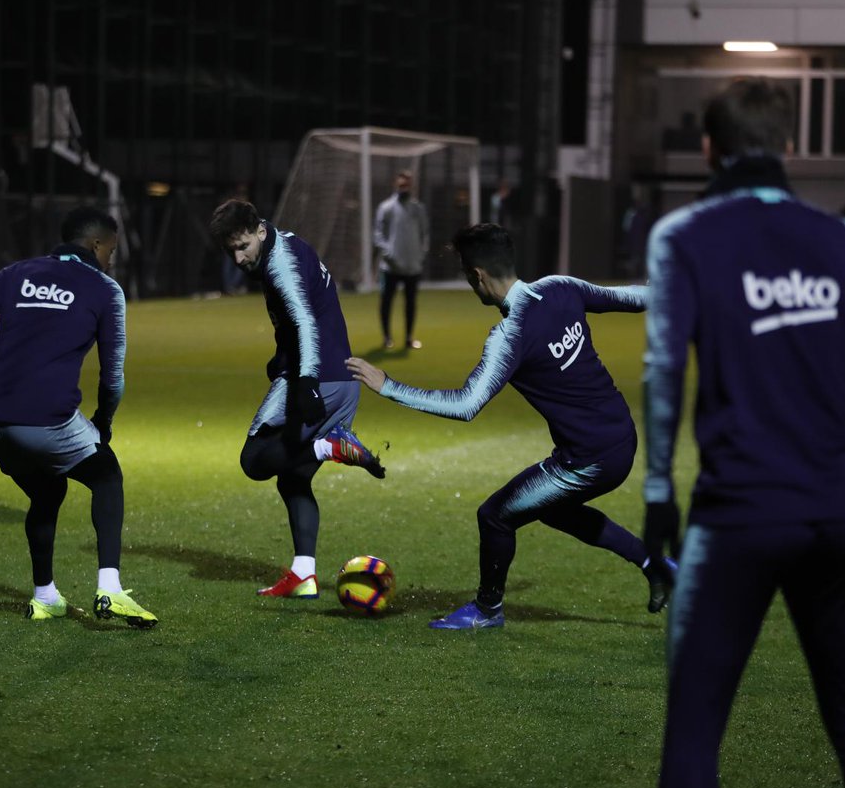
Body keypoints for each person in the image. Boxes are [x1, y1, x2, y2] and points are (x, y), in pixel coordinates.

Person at [643, 77, 845, 788]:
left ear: (708, 150)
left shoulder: (685, 235)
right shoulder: (842, 238)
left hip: (740, 511)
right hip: (843, 511)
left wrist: (659, 491)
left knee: (695, 735)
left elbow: (665, 369)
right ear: (788, 145)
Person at [347, 222, 671, 630]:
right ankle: (653, 564)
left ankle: (487, 610)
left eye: (468, 275)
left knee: (495, 515)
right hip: (620, 434)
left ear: (477, 275)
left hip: (589, 458)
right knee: (552, 509)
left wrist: (388, 385)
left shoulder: (510, 333)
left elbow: (466, 404)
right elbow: (632, 297)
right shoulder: (560, 286)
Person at [0, 206, 157, 627]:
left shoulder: (16, 273)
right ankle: (111, 590)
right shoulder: (104, 288)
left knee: (47, 492)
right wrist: (104, 422)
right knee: (106, 475)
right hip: (45, 420)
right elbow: (112, 375)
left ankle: (45, 596)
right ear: (96, 245)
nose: (111, 259)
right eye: (111, 250)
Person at [208, 198, 385, 599]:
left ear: (258, 230)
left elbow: (305, 320)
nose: (238, 258)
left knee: (254, 460)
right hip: (341, 379)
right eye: (230, 251)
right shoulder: (284, 243)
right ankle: (304, 573)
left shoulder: (280, 263)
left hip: (319, 379)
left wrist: (304, 381)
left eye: (243, 247)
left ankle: (328, 446)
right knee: (293, 478)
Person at [374, 169, 430, 350]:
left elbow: (425, 234)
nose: (404, 187)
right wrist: (388, 254)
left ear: (411, 185)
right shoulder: (386, 207)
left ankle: (408, 338)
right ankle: (387, 338)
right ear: (395, 185)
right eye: (401, 184)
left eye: (407, 184)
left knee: (411, 303)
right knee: (386, 302)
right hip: (390, 267)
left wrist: (421, 255)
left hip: (412, 266)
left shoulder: (418, 208)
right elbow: (378, 234)